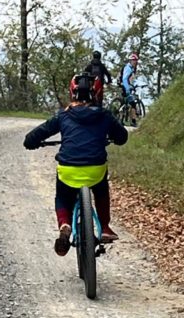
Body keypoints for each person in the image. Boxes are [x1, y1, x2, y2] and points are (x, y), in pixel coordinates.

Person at [23, 73, 128, 255]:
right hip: (95, 171)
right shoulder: (104, 115)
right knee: (101, 190)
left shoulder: (63, 115)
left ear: (72, 92)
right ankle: (104, 227)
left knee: (63, 196)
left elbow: (32, 137)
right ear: (96, 93)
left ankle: (65, 224)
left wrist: (33, 143)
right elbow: (122, 137)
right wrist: (112, 137)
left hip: (68, 171)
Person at [121, 51, 139, 126]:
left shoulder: (131, 68)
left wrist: (134, 85)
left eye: (136, 60)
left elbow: (131, 79)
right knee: (133, 104)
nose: (135, 62)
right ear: (130, 61)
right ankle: (133, 122)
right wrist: (127, 89)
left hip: (125, 86)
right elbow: (125, 79)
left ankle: (121, 120)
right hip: (125, 87)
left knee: (124, 104)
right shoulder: (128, 68)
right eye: (134, 60)